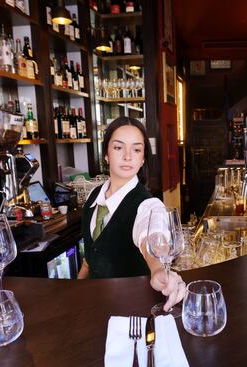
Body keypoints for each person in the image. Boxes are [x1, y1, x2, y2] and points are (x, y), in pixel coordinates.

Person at [77, 117, 187, 311]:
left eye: (136, 149)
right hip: (94, 307)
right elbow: (90, 256)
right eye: (119, 148)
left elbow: (151, 234)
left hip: (132, 311)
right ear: (106, 155)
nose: (128, 156)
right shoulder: (94, 197)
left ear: (143, 157)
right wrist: (78, 288)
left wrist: (158, 268)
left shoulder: (148, 205)